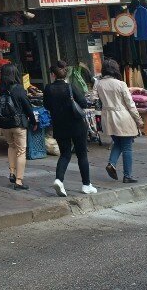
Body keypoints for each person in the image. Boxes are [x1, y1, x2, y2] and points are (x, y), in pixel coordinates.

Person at [43, 60, 96, 196]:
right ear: (65, 73)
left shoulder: (48, 89)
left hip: (60, 126)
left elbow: (47, 106)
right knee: (82, 155)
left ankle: (59, 180)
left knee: (65, 154)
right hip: (77, 124)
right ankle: (86, 184)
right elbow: (83, 103)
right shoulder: (71, 87)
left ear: (53, 75)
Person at [96, 58, 144, 184]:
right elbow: (130, 104)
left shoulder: (99, 84)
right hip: (122, 116)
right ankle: (127, 175)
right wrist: (139, 120)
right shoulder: (120, 84)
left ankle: (111, 163)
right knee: (127, 147)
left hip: (108, 117)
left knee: (117, 142)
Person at [0, 63, 36, 191]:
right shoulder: (19, 89)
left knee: (11, 146)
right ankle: (19, 181)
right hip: (18, 124)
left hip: (4, 124)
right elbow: (27, 107)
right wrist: (33, 121)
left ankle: (11, 172)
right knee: (21, 151)